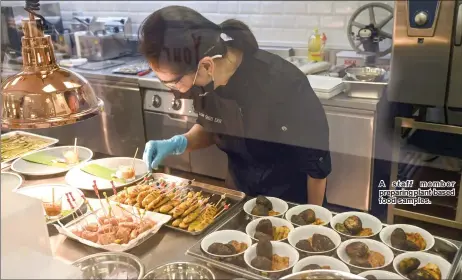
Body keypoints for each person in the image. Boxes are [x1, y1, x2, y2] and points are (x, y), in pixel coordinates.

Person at [139, 6, 331, 204]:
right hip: (238, 197)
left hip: (290, 201)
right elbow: (213, 125)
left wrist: (314, 220)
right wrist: (179, 143)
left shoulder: (284, 83)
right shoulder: (203, 84)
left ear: (206, 65)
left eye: (174, 82)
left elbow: (316, 166)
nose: (175, 90)